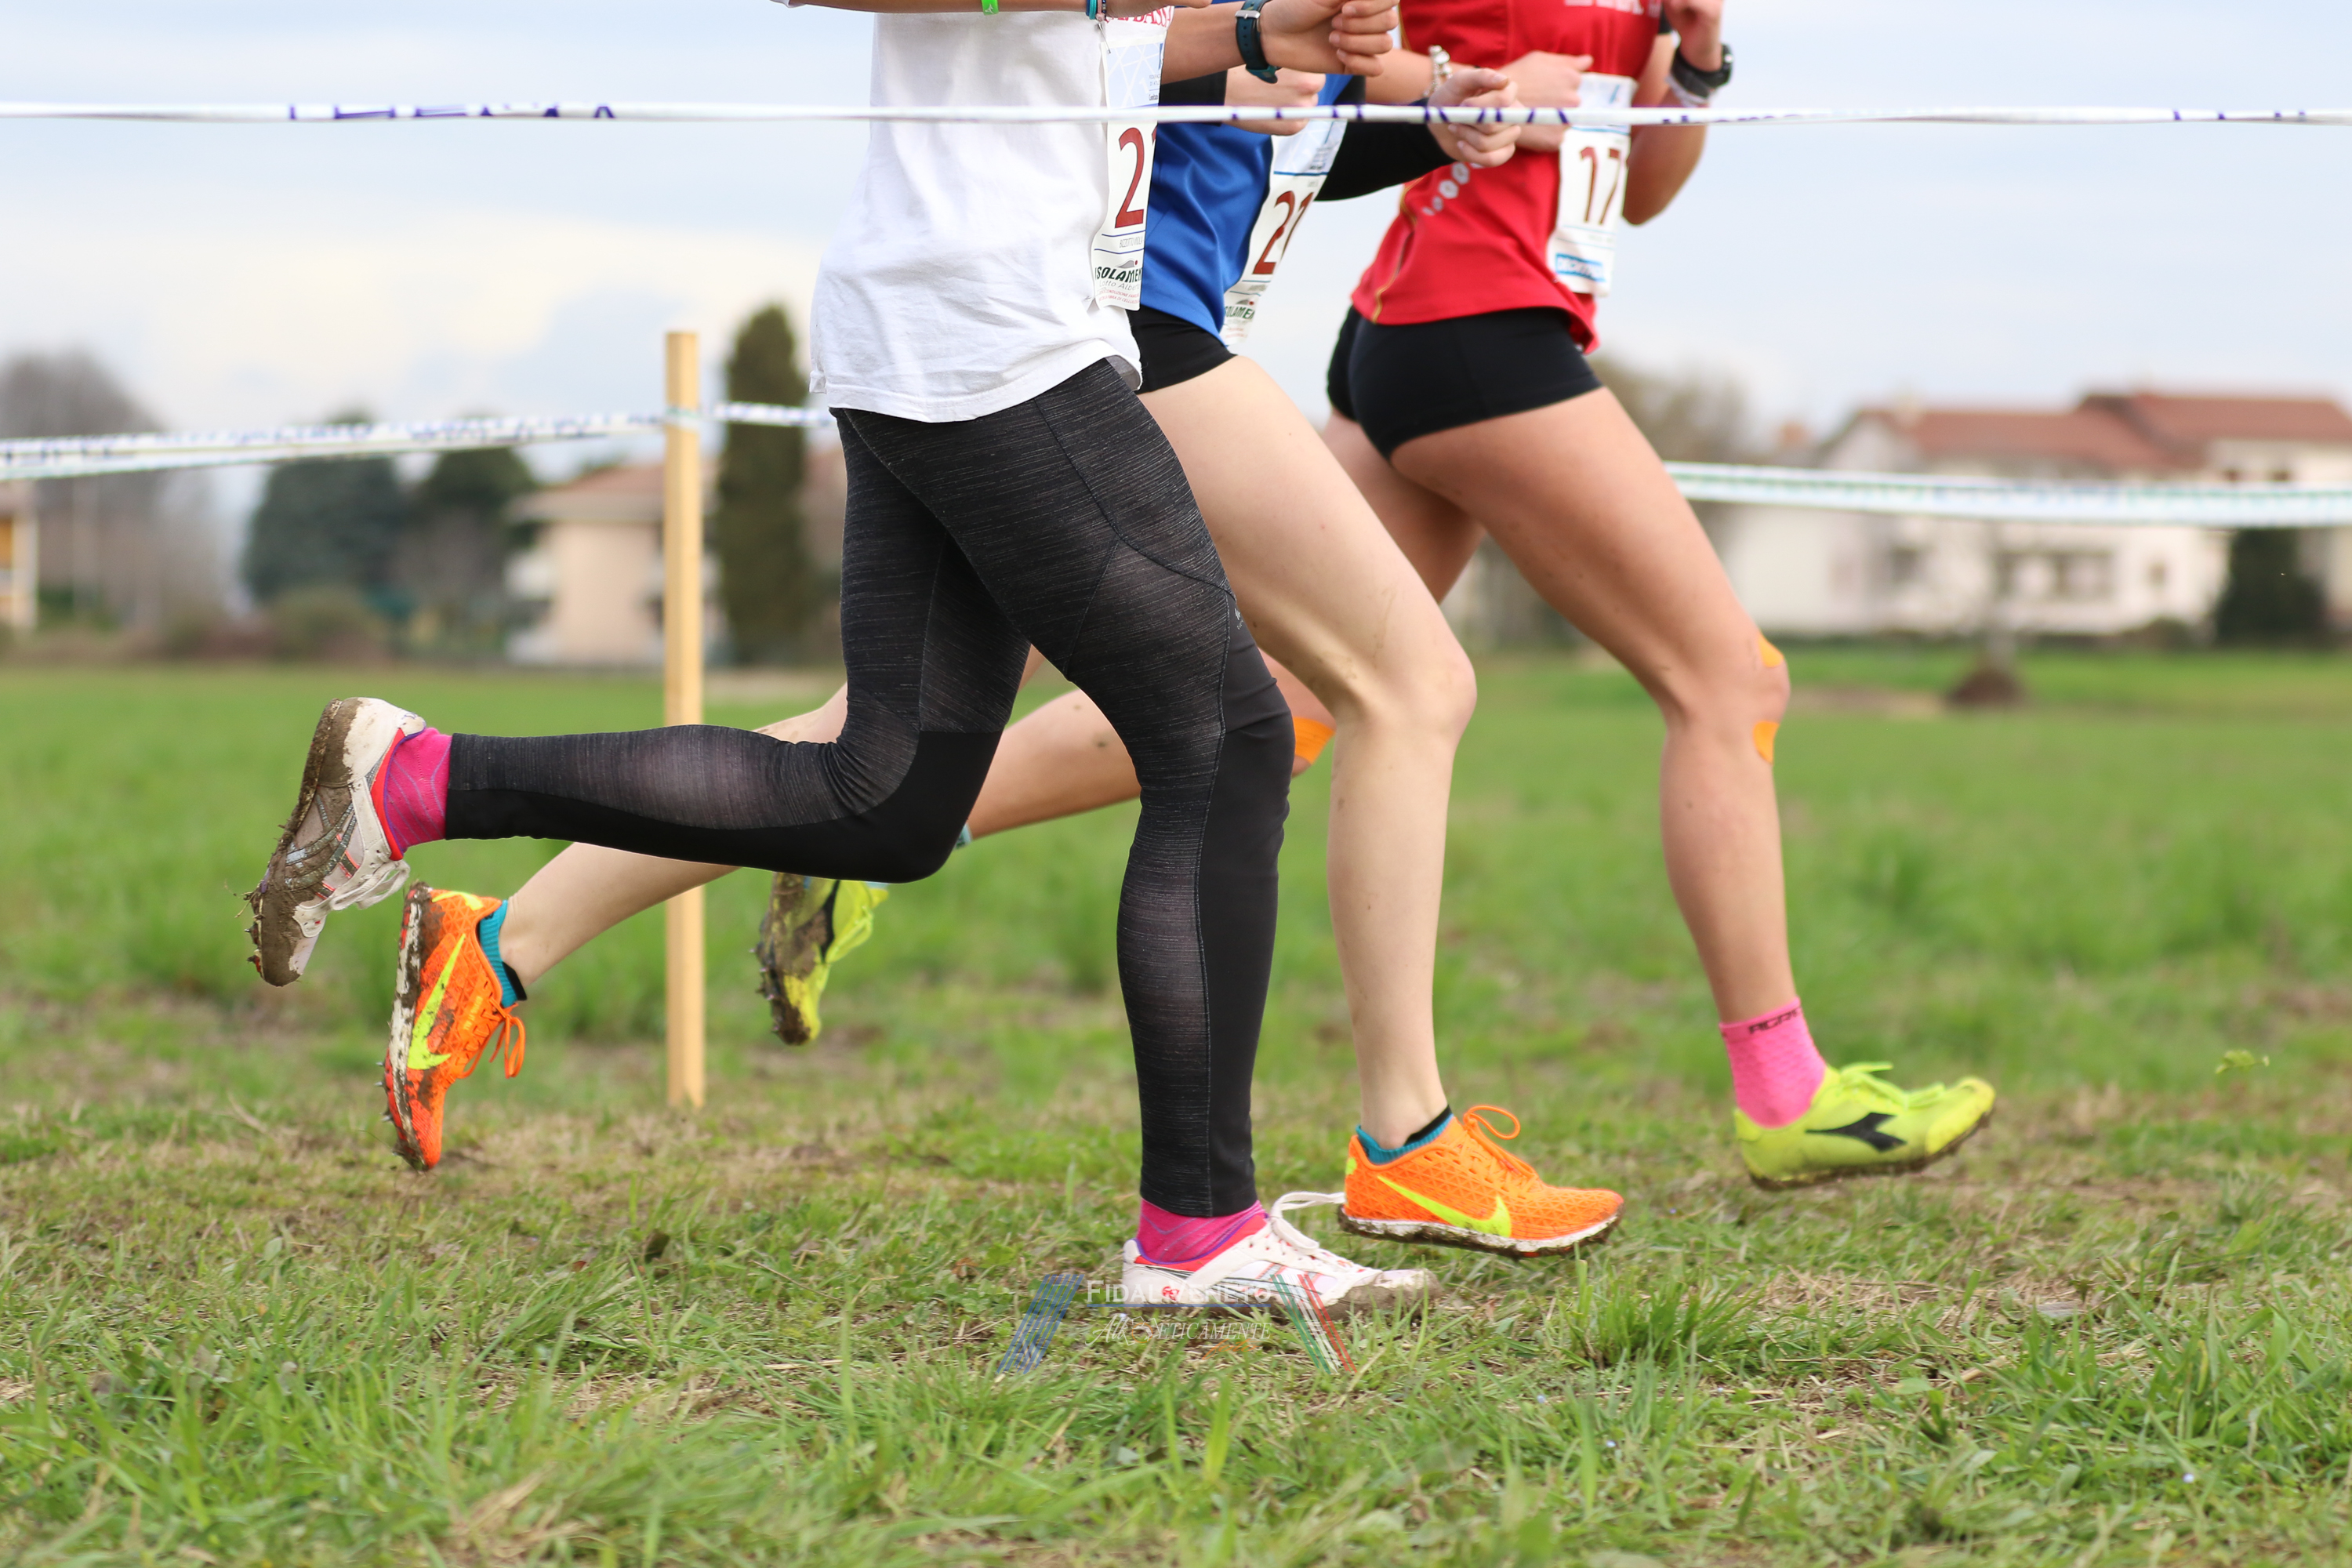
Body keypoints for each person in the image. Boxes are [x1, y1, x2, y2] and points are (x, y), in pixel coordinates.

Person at [247, 0, 1442, 1314]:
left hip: (971, 327)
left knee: (891, 800)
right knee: (1226, 740)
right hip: (994, 336)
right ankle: (1198, 1235)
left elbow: (1073, 54)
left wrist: (1259, 40)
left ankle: (417, 780)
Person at [1320, 0, 1995, 1189]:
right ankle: (1786, 1094)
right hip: (1475, 328)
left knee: (1266, 701)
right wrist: (1482, 90)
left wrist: (1696, 59)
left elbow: (1641, 185)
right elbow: (1334, 62)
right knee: (1731, 682)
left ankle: (936, 810)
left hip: (1440, 331)